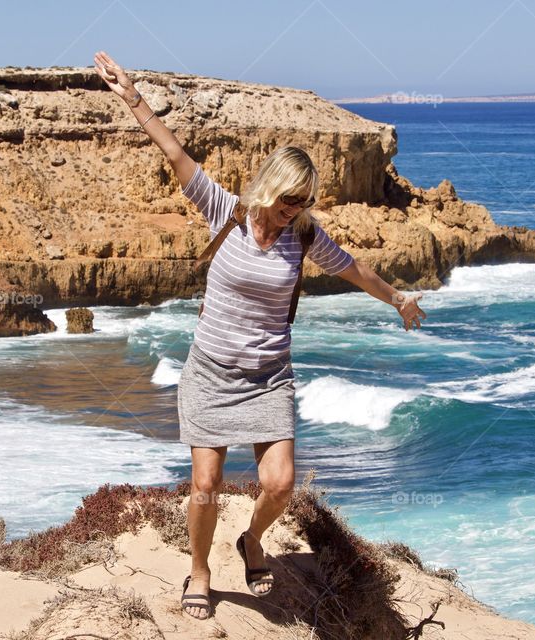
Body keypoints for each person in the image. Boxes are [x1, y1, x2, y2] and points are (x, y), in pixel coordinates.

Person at [93, 50, 426, 620]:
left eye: (305, 202)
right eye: (290, 198)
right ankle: (199, 570)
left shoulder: (303, 237)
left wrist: (397, 299)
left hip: (269, 377)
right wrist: (132, 96)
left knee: (281, 483)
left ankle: (250, 540)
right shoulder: (222, 209)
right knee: (205, 485)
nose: (296, 209)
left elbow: (352, 267)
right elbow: (175, 153)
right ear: (270, 189)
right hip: (211, 372)